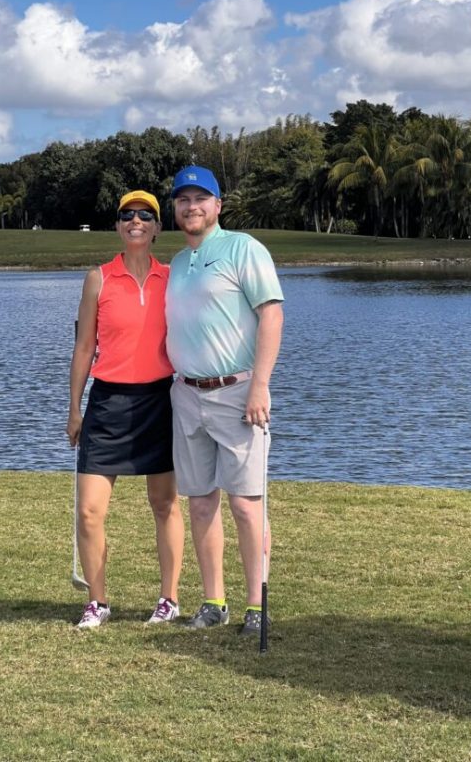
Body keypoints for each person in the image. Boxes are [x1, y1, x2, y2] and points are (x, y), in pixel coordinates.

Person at [165, 165, 283, 636]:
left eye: (200, 199)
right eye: (182, 200)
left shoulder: (243, 248)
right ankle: (214, 600)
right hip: (186, 393)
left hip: (237, 391)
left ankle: (257, 604)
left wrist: (260, 385)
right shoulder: (176, 263)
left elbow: (271, 315)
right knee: (199, 502)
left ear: (218, 205)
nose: (191, 207)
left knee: (246, 503)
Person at [66, 190, 185, 630]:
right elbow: (83, 348)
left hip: (160, 400)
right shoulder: (98, 278)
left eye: (146, 216)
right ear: (117, 226)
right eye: (127, 215)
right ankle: (97, 602)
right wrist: (74, 409)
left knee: (165, 503)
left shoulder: (173, 277)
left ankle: (168, 599)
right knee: (89, 511)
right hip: (107, 402)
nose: (136, 221)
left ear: (156, 229)